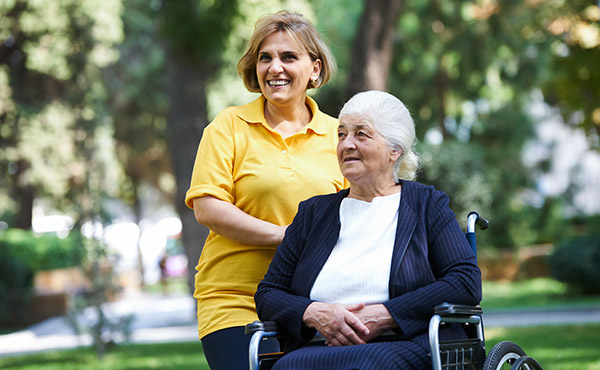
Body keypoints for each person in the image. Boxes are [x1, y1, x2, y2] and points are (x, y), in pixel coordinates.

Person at [255, 90, 482, 369]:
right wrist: (313, 312)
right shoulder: (313, 213)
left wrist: (387, 314)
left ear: (394, 150)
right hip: (317, 347)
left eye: (361, 134)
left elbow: (465, 281)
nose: (347, 144)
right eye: (341, 134)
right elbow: (268, 293)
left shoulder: (426, 204)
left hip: (405, 343)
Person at [184, 10, 346, 370]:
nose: (275, 68)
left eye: (289, 57)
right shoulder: (229, 126)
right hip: (234, 300)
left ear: (315, 69)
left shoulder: (340, 136)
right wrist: (284, 236)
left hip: (312, 302)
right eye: (265, 57)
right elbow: (208, 208)